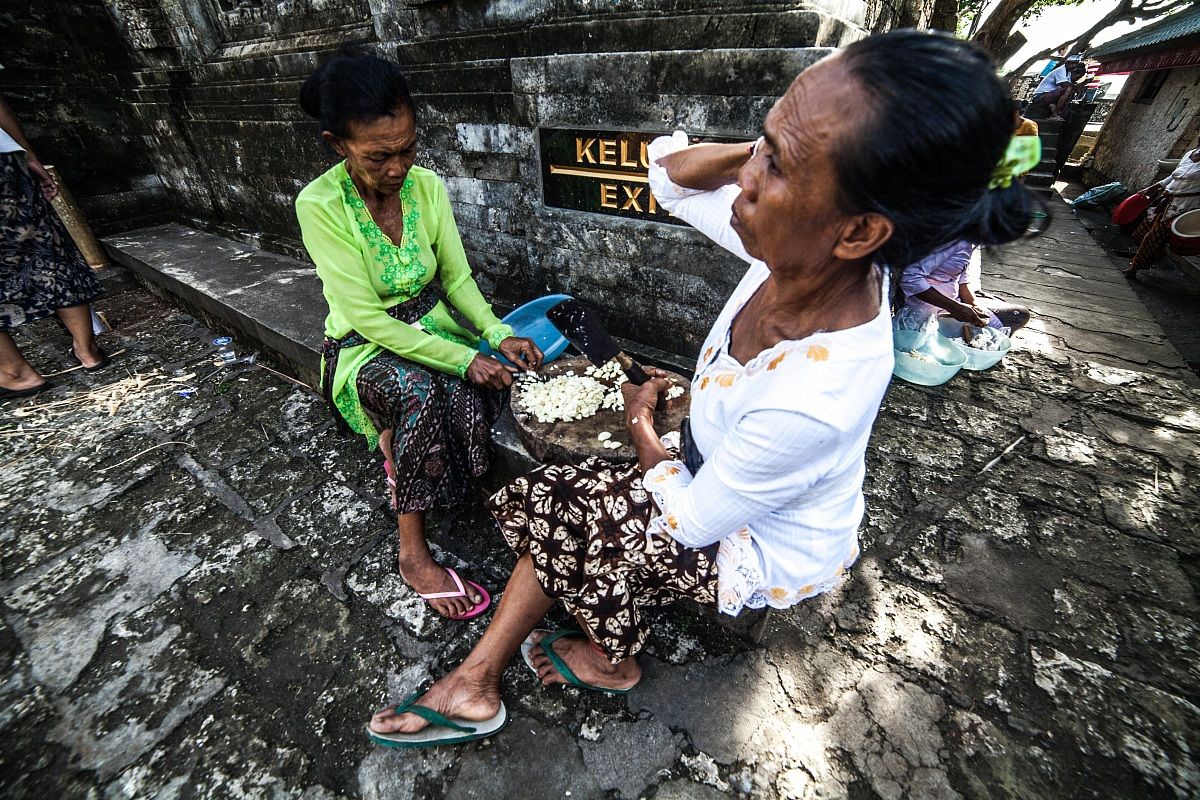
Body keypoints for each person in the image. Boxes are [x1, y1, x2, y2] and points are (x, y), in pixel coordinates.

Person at [365, 30, 1042, 748]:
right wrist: (765, 152)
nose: (746, 180)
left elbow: (689, 522)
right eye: (761, 145)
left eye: (777, 167)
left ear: (860, 230)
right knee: (561, 500)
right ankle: (479, 679)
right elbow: (669, 177)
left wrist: (639, 421)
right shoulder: (801, 248)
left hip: (755, 543)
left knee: (591, 521)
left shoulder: (816, 397)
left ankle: (605, 661)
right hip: (711, 471)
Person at [295, 55, 543, 620]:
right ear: (339, 145)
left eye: (407, 148)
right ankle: (412, 552)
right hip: (365, 346)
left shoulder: (427, 187)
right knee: (421, 393)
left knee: (488, 384)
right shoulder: (320, 205)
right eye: (378, 155)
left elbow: (455, 278)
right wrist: (462, 359)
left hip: (434, 325)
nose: (398, 166)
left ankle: (405, 457)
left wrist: (496, 334)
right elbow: (368, 318)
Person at [0, 90, 107, 399]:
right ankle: (88, 351)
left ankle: (15, 373)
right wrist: (28, 156)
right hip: (4, 163)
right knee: (48, 252)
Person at [899, 240, 1031, 332]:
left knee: (1019, 315)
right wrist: (954, 307)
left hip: (954, 306)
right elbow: (910, 277)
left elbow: (962, 280)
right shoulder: (952, 241)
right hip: (924, 311)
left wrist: (974, 304)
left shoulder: (972, 243)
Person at [1124, 136, 1200, 279]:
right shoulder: (1189, 154)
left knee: (1151, 237)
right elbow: (1174, 176)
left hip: (1185, 207)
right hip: (1166, 201)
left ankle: (1134, 267)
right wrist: (1154, 187)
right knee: (1140, 233)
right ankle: (1153, 256)